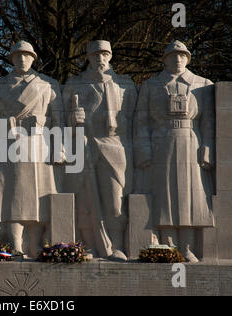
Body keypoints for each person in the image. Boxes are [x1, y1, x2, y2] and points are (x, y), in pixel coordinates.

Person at [133, 40, 215, 262]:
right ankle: (168, 245)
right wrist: (144, 150)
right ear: (165, 59)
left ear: (188, 58)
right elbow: (141, 121)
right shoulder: (151, 86)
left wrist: (207, 149)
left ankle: (187, 247)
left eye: (182, 55)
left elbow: (208, 121)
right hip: (162, 142)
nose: (178, 59)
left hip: (191, 142)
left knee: (190, 196)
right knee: (165, 195)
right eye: (173, 56)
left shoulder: (202, 84)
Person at [0, 40, 64, 257]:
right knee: (12, 195)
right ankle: (16, 245)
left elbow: (58, 120)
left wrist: (60, 148)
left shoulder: (47, 85)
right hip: (9, 143)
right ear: (11, 58)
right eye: (18, 55)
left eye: (26, 55)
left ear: (33, 58)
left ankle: (35, 244)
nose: (22, 59)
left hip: (39, 144)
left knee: (39, 198)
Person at [63, 40, 137, 260]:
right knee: (84, 197)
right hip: (83, 143)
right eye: (95, 55)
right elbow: (61, 120)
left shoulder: (125, 84)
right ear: (88, 57)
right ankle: (87, 245)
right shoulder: (74, 84)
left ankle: (115, 245)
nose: (100, 59)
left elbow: (136, 119)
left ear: (110, 56)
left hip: (114, 143)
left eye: (104, 54)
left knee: (115, 198)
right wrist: (72, 119)